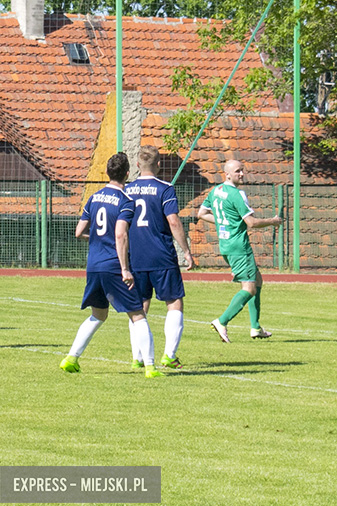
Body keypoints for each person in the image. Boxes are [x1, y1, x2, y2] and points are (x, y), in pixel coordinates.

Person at [60, 153, 162, 378]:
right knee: (138, 315)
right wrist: (125, 269)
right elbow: (120, 235)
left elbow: (79, 232)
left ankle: (71, 358)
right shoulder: (126, 201)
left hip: (94, 265)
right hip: (113, 266)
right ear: (127, 173)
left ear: (108, 173)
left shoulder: (94, 197)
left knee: (98, 314)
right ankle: (151, 367)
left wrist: (97, 238)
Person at [197, 160, 282, 343]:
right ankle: (222, 321)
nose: (241, 174)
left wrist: (223, 222)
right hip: (239, 246)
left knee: (257, 280)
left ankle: (255, 327)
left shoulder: (215, 191)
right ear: (227, 174)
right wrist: (273, 221)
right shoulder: (237, 194)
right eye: (237, 171)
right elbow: (251, 223)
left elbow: (202, 213)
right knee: (249, 288)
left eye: (242, 170)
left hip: (226, 245)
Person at [126, 146, 194, 369]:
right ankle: (169, 355)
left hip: (135, 255)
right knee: (174, 302)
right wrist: (186, 250)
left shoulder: (127, 190)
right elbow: (173, 221)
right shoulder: (164, 188)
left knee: (139, 306)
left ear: (137, 165)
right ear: (159, 165)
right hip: (161, 255)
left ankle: (138, 357)